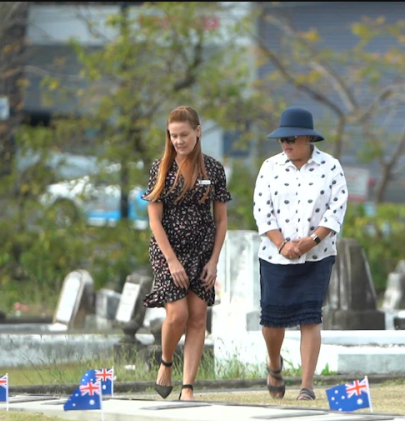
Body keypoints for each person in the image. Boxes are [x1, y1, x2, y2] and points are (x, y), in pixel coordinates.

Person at [253, 106, 348, 401]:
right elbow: (261, 209)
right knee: (272, 320)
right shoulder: (270, 167)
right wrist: (282, 244)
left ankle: (307, 385)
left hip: (317, 255)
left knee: (310, 317)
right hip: (274, 254)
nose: (286, 144)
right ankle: (274, 363)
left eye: (291, 138)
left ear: (308, 138)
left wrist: (311, 240)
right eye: (282, 140)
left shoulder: (330, 167)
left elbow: (337, 208)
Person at [143, 106, 232, 401]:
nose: (178, 140)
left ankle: (188, 387)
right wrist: (171, 261)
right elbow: (154, 219)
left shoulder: (213, 170)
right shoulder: (161, 168)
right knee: (177, 314)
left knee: (197, 317)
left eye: (183, 134)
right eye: (173, 135)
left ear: (198, 131)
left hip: (202, 251)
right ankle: (166, 362)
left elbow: (221, 220)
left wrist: (214, 261)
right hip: (169, 252)